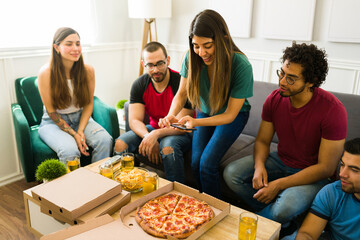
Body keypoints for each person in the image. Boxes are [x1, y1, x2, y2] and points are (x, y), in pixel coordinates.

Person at [223, 42, 347, 237]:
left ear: (311, 81)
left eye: (291, 79)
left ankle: (259, 224)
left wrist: (279, 185)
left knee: (284, 207)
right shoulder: (274, 99)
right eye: (281, 73)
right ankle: (284, 222)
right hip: (281, 160)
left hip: (313, 174)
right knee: (232, 174)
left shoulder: (333, 110)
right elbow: (263, 141)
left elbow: (326, 168)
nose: (282, 81)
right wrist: (259, 167)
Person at [159, 9, 254, 198]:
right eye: (196, 46)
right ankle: (202, 206)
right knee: (195, 163)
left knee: (207, 163)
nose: (201, 52)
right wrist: (172, 114)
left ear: (223, 38)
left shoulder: (241, 65)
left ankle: (216, 210)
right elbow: (181, 94)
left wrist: (195, 122)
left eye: (207, 45)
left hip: (231, 116)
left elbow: (229, 116)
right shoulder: (191, 58)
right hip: (206, 110)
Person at [114, 41, 193, 183]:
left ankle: (178, 193)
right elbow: (134, 120)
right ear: (143, 64)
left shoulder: (181, 83)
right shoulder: (139, 84)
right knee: (121, 144)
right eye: (150, 65)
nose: (156, 69)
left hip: (180, 132)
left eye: (160, 63)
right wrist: (148, 136)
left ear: (168, 60)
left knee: (168, 147)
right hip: (153, 128)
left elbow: (182, 126)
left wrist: (155, 135)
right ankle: (128, 184)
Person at [38, 27, 113, 164]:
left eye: (78, 43)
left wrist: (80, 130)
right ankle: (73, 186)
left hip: (81, 118)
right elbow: (51, 112)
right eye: (69, 44)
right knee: (70, 151)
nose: (76, 48)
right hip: (53, 122)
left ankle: (99, 182)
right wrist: (75, 135)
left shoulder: (88, 70)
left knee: (105, 140)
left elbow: (89, 104)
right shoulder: (46, 73)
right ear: (56, 47)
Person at [296, 138, 360, 240]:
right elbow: (308, 234)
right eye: (342, 165)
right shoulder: (332, 192)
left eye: (354, 170)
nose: (342, 174)